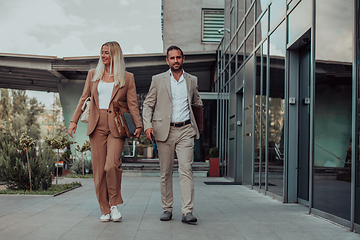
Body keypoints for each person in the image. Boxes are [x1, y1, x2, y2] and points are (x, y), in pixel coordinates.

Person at [68, 41, 142, 222]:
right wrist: (73, 120)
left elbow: (132, 103)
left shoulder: (127, 77)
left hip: (117, 125)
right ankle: (105, 208)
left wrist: (138, 124)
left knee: (111, 165)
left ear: (115, 54)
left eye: (107, 53)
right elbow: (84, 97)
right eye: (102, 52)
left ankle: (114, 204)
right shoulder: (93, 75)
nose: (103, 56)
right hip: (97, 124)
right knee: (99, 170)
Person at [142, 45, 203, 223]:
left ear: (183, 59)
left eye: (178, 57)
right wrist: (147, 126)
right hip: (164, 131)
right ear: (167, 60)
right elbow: (148, 104)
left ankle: (187, 211)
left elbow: (196, 101)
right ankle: (167, 208)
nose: (175, 60)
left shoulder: (191, 80)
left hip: (185, 130)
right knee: (166, 172)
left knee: (186, 169)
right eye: (172, 58)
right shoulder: (158, 80)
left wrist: (199, 122)